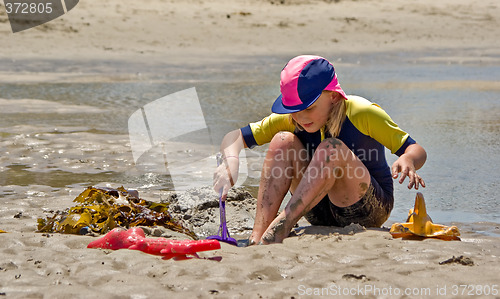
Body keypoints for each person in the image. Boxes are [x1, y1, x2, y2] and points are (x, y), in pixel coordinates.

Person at [213, 55, 426, 245]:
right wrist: (230, 161)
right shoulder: (291, 119)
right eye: (293, 110)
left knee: (330, 148)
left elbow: (415, 149)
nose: (300, 117)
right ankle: (257, 237)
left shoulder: (361, 111)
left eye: (308, 108)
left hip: (366, 207)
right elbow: (235, 137)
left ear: (333, 96)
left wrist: (408, 159)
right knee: (282, 140)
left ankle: (280, 227)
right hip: (314, 208)